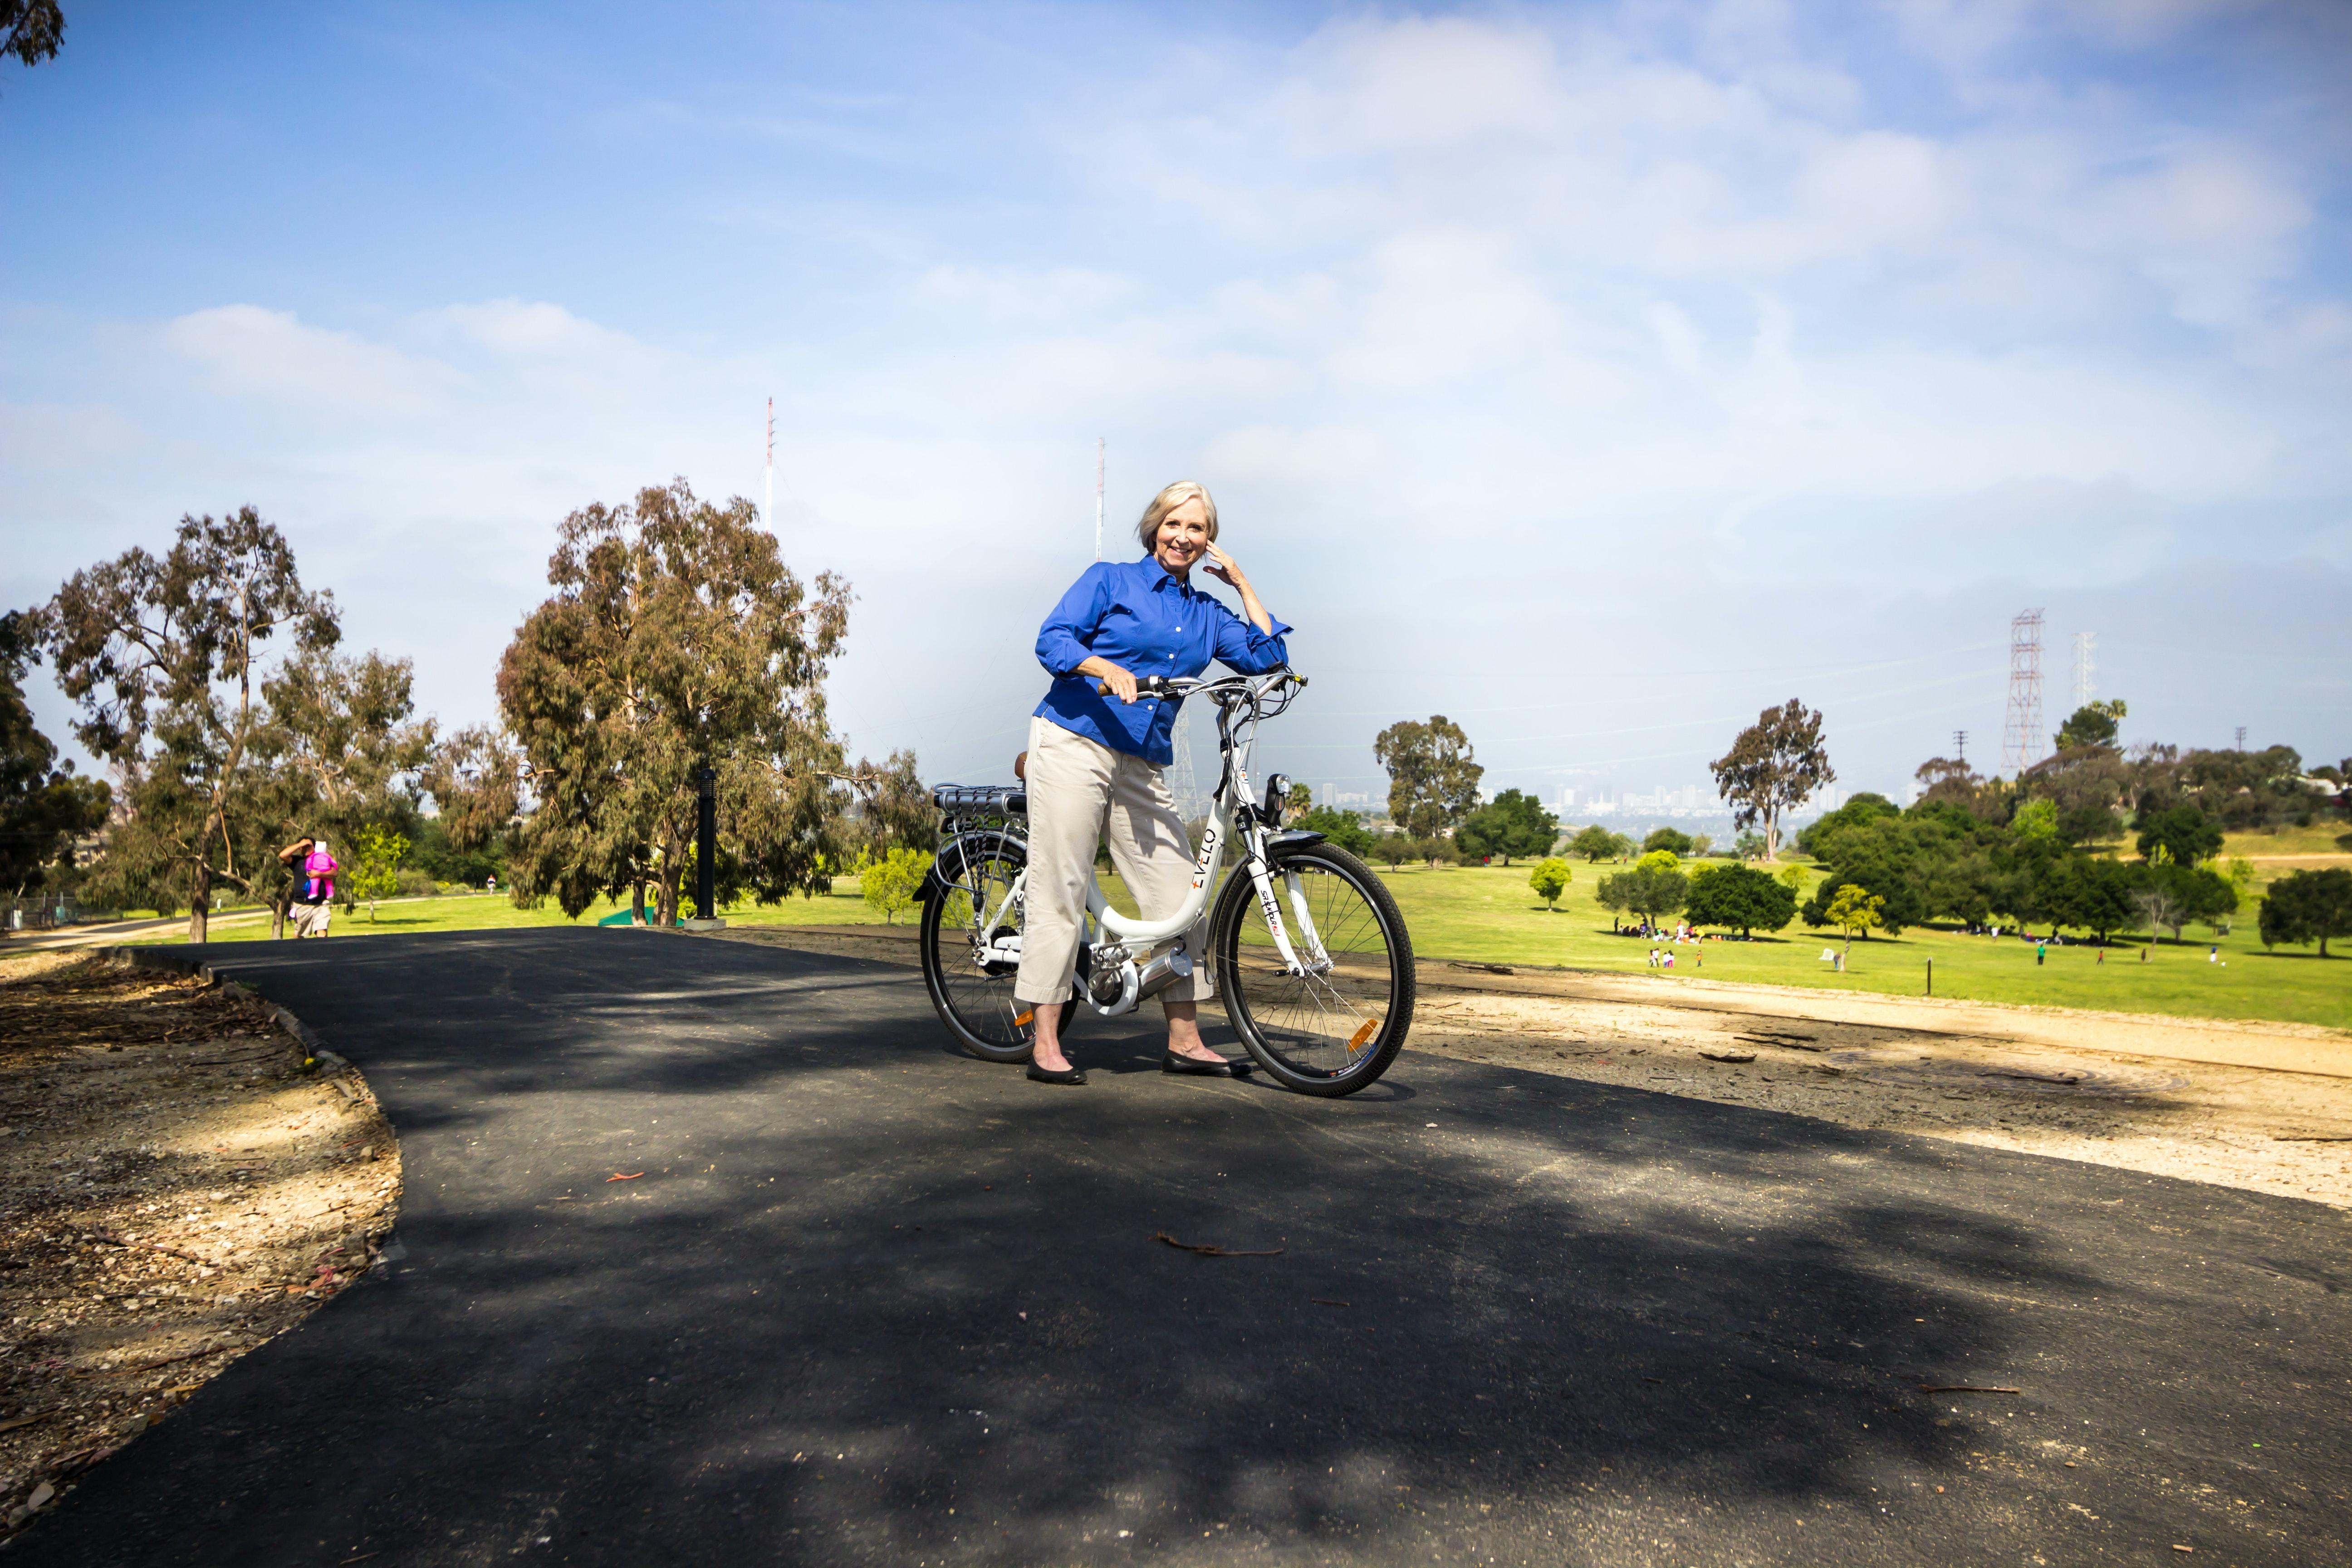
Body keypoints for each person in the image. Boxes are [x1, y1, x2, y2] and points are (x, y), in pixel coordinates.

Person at [1014, 480, 1291, 1086]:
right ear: (1154, 527)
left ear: (1209, 541)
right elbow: (1053, 638)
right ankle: (1046, 1041)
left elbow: (1267, 656)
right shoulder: (1111, 581)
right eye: (1174, 525)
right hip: (1076, 739)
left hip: (1141, 758)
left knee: (1182, 896)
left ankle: (1185, 1041)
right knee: (1060, 887)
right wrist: (1103, 666)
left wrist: (1241, 583)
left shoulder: (1206, 615)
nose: (1184, 537)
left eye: (1197, 529)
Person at [279, 835, 339, 939]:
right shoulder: (297, 861)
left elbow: (334, 873)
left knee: (322, 932)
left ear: (314, 847)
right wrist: (299, 845)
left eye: (309, 846)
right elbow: (283, 855)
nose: (306, 848)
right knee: (299, 935)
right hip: (302, 905)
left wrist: (319, 874)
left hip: (320, 904)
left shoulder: (322, 858)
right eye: (303, 847)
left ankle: (321, 954)